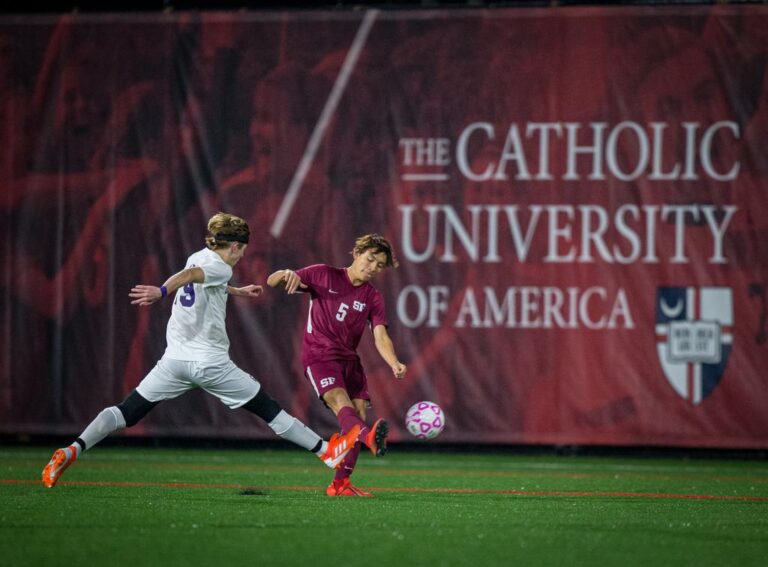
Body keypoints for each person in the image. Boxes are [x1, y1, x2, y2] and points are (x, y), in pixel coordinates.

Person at [42, 212, 359, 488]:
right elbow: (193, 277)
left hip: (174, 362)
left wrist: (237, 291)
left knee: (127, 411)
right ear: (234, 246)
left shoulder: (198, 255)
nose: (241, 257)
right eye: (242, 252)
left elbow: (201, 277)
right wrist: (162, 290)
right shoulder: (219, 267)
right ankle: (327, 453)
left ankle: (72, 450)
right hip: (210, 364)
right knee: (269, 409)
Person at [267, 234, 407, 497]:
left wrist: (394, 362)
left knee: (354, 420)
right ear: (356, 253)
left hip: (350, 361)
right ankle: (369, 438)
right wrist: (285, 274)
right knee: (341, 402)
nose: (373, 267)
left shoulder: (372, 296)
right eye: (370, 259)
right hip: (319, 356)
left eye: (379, 265)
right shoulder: (323, 274)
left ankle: (340, 484)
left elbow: (380, 335)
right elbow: (271, 281)